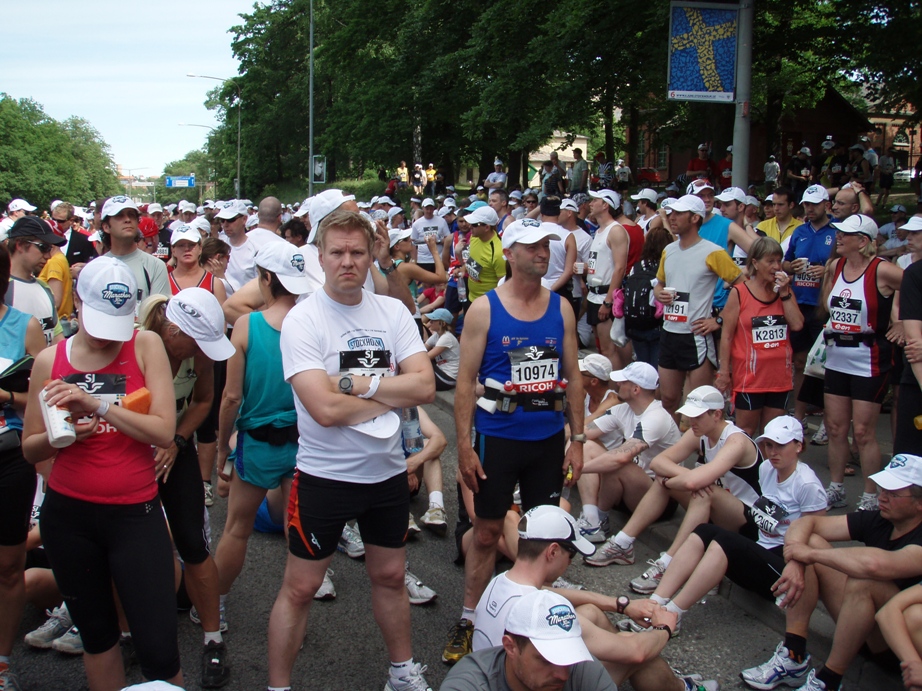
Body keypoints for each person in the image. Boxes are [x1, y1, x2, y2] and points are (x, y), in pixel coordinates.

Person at [268, 209, 435, 691]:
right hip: (324, 476)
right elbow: (323, 409)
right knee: (300, 589)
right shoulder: (304, 319)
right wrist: (387, 390)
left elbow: (425, 387)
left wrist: (354, 384)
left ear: (370, 255)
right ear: (319, 257)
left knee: (389, 576)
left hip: (384, 475)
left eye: (357, 252)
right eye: (337, 252)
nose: (348, 262)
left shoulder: (393, 312)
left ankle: (402, 674)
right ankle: (278, 686)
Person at [21, 256, 183, 689]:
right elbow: (31, 448)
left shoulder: (145, 344)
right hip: (69, 516)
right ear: (78, 310)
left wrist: (96, 404)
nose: (110, 337)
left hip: (134, 512)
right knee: (97, 637)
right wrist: (67, 435)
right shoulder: (49, 361)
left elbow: (165, 430)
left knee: (159, 647)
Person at [445, 218, 584, 666]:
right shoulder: (484, 309)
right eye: (531, 246)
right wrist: (463, 446)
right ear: (509, 253)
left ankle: (531, 619)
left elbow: (575, 376)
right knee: (486, 533)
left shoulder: (561, 307)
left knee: (541, 534)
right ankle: (469, 620)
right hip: (498, 438)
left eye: (545, 245)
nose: (542, 253)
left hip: (546, 438)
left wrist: (577, 439)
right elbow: (465, 383)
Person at [468, 505, 716, 691]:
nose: (570, 562)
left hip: (501, 677)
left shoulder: (501, 582)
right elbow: (635, 651)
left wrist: (622, 605)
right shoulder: (542, 612)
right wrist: (664, 627)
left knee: (590, 612)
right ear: (553, 551)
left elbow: (550, 593)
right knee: (636, 648)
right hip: (532, 682)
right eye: (571, 554)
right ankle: (682, 688)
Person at [630, 417, 826, 637]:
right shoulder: (767, 470)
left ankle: (671, 615)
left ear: (799, 446)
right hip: (761, 546)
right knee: (703, 532)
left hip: (783, 567)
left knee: (725, 542)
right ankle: (653, 604)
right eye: (769, 445)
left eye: (780, 445)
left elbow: (817, 535)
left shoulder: (807, 485)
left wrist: (797, 566)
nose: (773, 452)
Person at [741, 454, 922, 691]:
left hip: (896, 643)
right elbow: (804, 524)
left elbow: (876, 565)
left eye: (893, 493)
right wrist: (796, 559)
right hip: (865, 622)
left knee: (863, 581)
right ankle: (794, 654)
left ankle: (829, 681)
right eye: (882, 489)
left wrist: (809, 555)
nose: (882, 497)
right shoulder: (881, 519)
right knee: (811, 541)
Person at [139, 287, 235, 687]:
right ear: (172, 328)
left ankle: (213, 639)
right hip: (131, 452)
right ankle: (126, 630)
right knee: (137, 546)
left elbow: (204, 401)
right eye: (198, 341)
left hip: (172, 450)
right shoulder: (138, 345)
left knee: (194, 543)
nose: (203, 351)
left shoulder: (197, 352)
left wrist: (177, 442)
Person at [212, 242, 310, 631]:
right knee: (297, 533)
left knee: (236, 527)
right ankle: (294, 617)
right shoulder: (313, 324)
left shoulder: (247, 326)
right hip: (304, 444)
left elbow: (231, 396)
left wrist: (222, 448)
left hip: (257, 442)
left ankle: (214, 610)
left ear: (267, 279)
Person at [585, 385, 762, 583]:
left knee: (705, 490)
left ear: (717, 414)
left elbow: (695, 481)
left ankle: (670, 562)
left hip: (746, 518)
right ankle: (623, 543)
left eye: (697, 416)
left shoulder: (735, 441)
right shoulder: (699, 434)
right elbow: (658, 462)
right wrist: (684, 477)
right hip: (712, 505)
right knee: (667, 481)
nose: (690, 422)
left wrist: (690, 479)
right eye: (689, 416)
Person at [822, 214, 903, 511]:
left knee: (864, 432)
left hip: (870, 360)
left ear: (863, 241)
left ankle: (870, 495)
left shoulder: (882, 270)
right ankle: (836, 487)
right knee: (834, 427)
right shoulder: (836, 266)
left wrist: (902, 320)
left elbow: (913, 285)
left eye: (846, 234)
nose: (838, 238)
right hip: (836, 357)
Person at [0, 243, 46, 690]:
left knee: (10, 565)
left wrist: (6, 398)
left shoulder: (24, 327)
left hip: (8, 456)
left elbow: (41, 399)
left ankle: (2, 664)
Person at [653, 195, 742, 418]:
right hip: (668, 332)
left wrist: (719, 319)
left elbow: (743, 287)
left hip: (695, 335)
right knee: (668, 399)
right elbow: (659, 283)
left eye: (678, 214)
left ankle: (704, 451)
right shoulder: (669, 250)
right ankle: (671, 450)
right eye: (670, 213)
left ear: (694, 218)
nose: (671, 218)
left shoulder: (713, 251)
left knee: (698, 406)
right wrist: (659, 294)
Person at [575, 362, 681, 545]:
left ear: (636, 389)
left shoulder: (656, 417)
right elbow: (584, 433)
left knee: (619, 462)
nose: (617, 385)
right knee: (583, 445)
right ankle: (592, 519)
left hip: (660, 498)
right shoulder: (623, 409)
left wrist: (577, 469)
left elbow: (622, 456)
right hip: (629, 489)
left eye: (623, 382)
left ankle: (600, 520)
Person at [443, 589, 616, 691]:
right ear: (510, 647)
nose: (563, 674)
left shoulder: (581, 667)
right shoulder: (468, 684)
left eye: (567, 656)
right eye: (547, 660)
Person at [716, 237, 804, 437]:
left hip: (779, 377)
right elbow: (727, 336)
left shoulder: (784, 291)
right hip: (749, 378)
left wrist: (784, 293)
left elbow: (797, 324)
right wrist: (724, 373)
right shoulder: (740, 293)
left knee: (773, 434)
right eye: (770, 261)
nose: (776, 266)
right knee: (745, 432)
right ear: (755, 263)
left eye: (778, 261)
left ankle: (767, 469)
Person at [782, 185, 836, 432]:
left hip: (824, 305)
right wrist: (790, 267)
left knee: (826, 364)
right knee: (800, 360)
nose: (810, 208)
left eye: (814, 204)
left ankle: (829, 419)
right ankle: (800, 415)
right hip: (799, 302)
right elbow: (785, 261)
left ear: (827, 204)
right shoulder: (799, 232)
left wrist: (827, 270)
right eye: (806, 204)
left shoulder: (836, 231)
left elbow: (848, 264)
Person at [97, 196, 170, 304]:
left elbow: (158, 315)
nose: (127, 220)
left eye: (131, 215)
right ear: (106, 227)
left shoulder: (156, 266)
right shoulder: (96, 267)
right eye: (119, 216)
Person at [5, 217, 65, 347]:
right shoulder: (4, 288)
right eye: (43, 247)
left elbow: (56, 339)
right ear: (20, 245)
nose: (48, 256)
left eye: (50, 249)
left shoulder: (45, 288)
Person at [623, 225, 671, 368]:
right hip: (657, 324)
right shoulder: (666, 265)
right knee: (657, 367)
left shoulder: (637, 267)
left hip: (636, 324)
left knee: (642, 365)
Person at [424, 307, 459, 390]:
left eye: (433, 320)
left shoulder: (447, 337)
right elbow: (422, 349)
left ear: (442, 323)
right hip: (440, 372)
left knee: (420, 364)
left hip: (448, 378)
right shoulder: (436, 335)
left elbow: (426, 357)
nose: (430, 322)